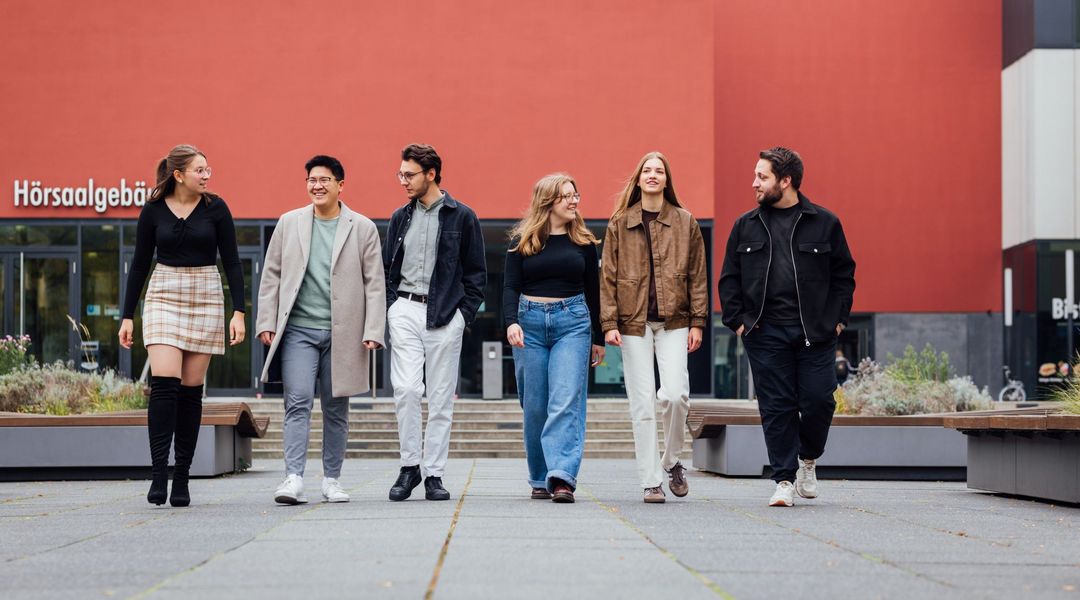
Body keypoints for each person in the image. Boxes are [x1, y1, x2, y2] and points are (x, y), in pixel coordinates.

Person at [718, 147, 856, 507]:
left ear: (786, 181)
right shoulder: (745, 225)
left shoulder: (825, 223)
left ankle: (807, 458)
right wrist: (738, 323)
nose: (754, 183)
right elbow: (729, 279)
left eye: (761, 177)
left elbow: (844, 275)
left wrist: (838, 320)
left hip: (816, 333)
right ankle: (782, 479)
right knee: (776, 406)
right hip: (765, 332)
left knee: (818, 401)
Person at [118, 144, 246, 507]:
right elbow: (140, 265)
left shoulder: (216, 209)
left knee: (191, 391)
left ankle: (182, 477)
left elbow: (233, 263)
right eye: (200, 170)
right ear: (178, 175)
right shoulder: (153, 210)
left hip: (205, 292)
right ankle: (159, 473)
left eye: (208, 169)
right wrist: (127, 315)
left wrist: (239, 312)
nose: (207, 175)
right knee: (164, 383)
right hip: (163, 293)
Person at [256, 155, 385, 505]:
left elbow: (375, 284)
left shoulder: (362, 227)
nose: (317, 185)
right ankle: (293, 478)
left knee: (335, 407)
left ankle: (331, 480)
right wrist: (266, 320)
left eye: (325, 179)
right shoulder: (289, 223)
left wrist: (374, 328)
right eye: (312, 179)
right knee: (296, 401)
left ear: (340, 185)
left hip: (344, 333)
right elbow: (272, 275)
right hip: (298, 329)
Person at [600, 151, 708, 504]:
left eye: (659, 171)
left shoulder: (685, 221)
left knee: (675, 394)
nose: (652, 175)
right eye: (647, 170)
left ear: (666, 180)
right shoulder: (619, 223)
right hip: (632, 324)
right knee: (643, 405)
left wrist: (698, 321)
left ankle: (672, 459)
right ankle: (651, 481)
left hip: (675, 320)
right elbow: (609, 277)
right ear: (639, 178)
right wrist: (609, 322)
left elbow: (697, 275)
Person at [383, 144, 486, 501]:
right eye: (401, 174)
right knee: (408, 389)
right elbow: (388, 269)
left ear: (431, 174)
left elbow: (476, 274)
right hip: (406, 310)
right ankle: (410, 467)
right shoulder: (400, 217)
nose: (403, 181)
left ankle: (434, 474)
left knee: (441, 398)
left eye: (409, 174)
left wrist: (463, 316)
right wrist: (391, 307)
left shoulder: (463, 217)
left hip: (445, 314)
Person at [504, 173, 605, 503]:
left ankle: (562, 476)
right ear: (548, 202)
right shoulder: (521, 241)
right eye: (566, 196)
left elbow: (594, 291)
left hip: (573, 324)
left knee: (565, 399)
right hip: (529, 324)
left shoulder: (585, 244)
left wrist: (598, 338)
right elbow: (509, 287)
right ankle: (538, 475)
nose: (574, 201)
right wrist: (510, 323)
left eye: (576, 195)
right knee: (534, 405)